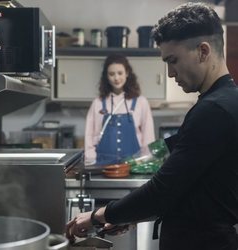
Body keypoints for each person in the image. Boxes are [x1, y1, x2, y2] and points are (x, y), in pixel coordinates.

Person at [66, 2, 238, 250]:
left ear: (203, 51)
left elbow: (162, 191)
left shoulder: (215, 110)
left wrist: (97, 216)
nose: (169, 73)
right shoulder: (221, 103)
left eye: (173, 60)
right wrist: (130, 214)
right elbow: (188, 188)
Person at [84, 54, 155, 166]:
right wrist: (90, 159)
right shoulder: (98, 103)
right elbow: (90, 134)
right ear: (106, 76)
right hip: (103, 165)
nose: (116, 78)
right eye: (112, 74)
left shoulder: (141, 102)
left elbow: (148, 137)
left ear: (127, 73)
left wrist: (146, 161)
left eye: (120, 73)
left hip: (134, 164)